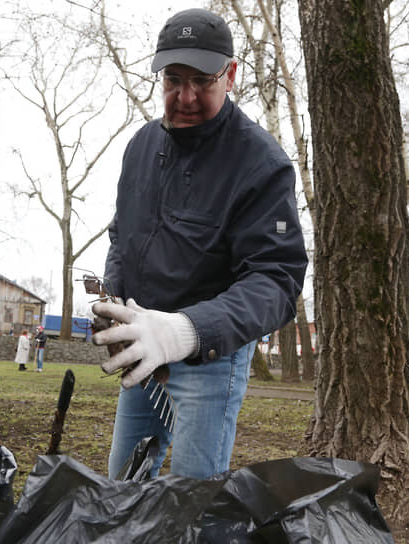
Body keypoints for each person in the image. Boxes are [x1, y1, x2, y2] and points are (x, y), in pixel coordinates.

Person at [90, 8, 307, 481]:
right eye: (173, 80)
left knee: (194, 496)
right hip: (142, 346)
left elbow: (277, 281)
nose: (185, 97)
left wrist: (185, 331)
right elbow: (122, 235)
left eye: (202, 82)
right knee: (123, 484)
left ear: (230, 76)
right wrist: (113, 300)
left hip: (211, 356)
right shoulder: (142, 146)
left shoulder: (261, 163)